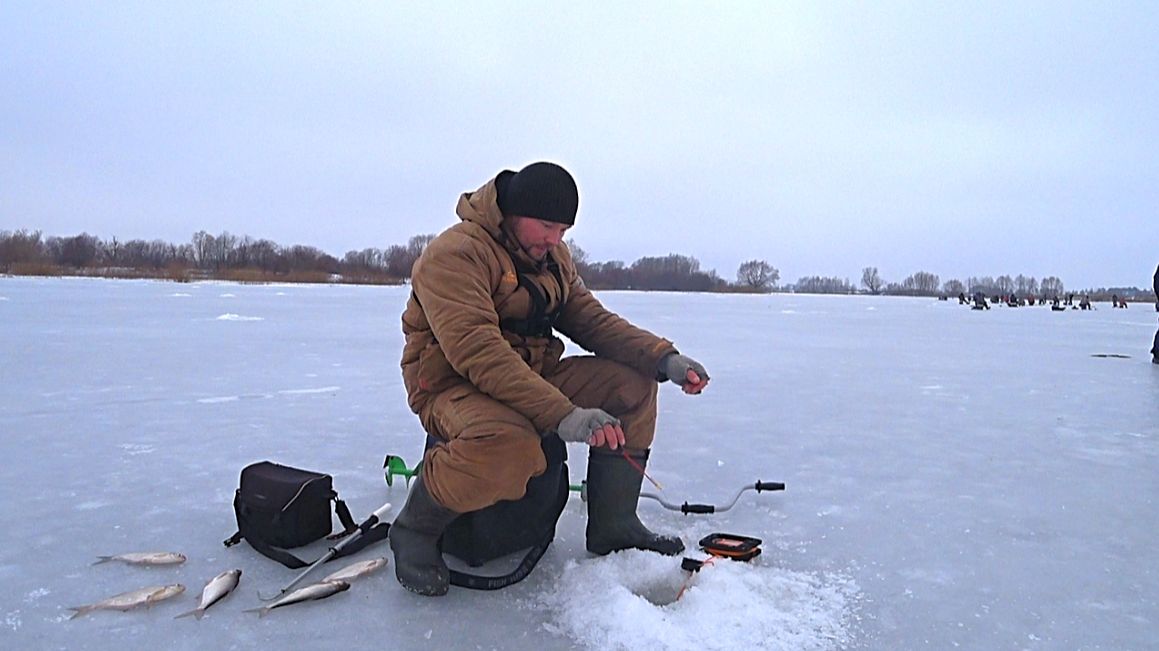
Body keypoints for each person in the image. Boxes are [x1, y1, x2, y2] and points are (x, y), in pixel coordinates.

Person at [392, 161, 710, 596]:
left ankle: (613, 525)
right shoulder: (455, 255)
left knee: (632, 386)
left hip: (533, 373)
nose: (555, 239)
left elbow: (591, 320)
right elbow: (478, 353)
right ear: (513, 211)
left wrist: (663, 357)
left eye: (563, 230)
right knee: (514, 446)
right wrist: (565, 414)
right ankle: (414, 530)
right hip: (452, 385)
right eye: (546, 226)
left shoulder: (551, 257)